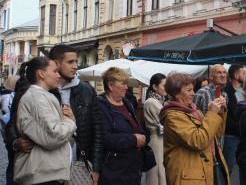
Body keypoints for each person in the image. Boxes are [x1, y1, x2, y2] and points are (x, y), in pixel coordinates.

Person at [6, 45, 104, 185]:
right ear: (56, 64)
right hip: (45, 168)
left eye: (76, 61)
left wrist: (95, 167)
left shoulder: (86, 90)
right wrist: (16, 142)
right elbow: (14, 122)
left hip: (75, 164)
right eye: (70, 62)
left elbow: (97, 130)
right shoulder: (34, 91)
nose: (76, 66)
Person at [14, 57, 76, 185]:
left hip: (48, 172)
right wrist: (71, 122)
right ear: (41, 74)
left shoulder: (42, 96)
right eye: (54, 71)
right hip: (44, 175)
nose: (58, 76)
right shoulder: (37, 98)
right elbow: (54, 136)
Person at [160, 72, 229, 185]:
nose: (193, 93)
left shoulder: (194, 111)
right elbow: (198, 141)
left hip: (203, 170)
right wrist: (211, 114)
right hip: (189, 176)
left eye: (193, 89)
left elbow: (216, 133)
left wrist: (219, 112)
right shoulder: (173, 116)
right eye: (189, 90)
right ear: (176, 93)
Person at [97, 67, 149, 185]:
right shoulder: (101, 106)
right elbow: (104, 138)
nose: (127, 87)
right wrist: (134, 140)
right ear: (110, 85)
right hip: (113, 171)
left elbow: (137, 128)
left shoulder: (127, 104)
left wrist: (143, 137)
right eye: (123, 84)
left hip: (132, 169)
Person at [193, 64, 228, 148]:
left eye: (224, 72)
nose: (223, 75)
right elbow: (193, 117)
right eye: (219, 73)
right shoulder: (202, 93)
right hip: (205, 143)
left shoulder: (225, 95)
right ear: (211, 76)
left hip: (219, 143)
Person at [223, 64, 246, 177]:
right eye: (244, 73)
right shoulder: (226, 92)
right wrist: (240, 128)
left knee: (245, 169)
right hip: (231, 137)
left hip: (245, 137)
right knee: (228, 168)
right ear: (236, 76)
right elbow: (225, 116)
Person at [144, 73, 167, 185]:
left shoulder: (159, 101)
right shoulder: (152, 102)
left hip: (160, 139)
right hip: (157, 140)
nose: (167, 88)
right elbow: (165, 121)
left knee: (160, 173)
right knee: (157, 174)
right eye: (164, 85)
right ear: (155, 86)